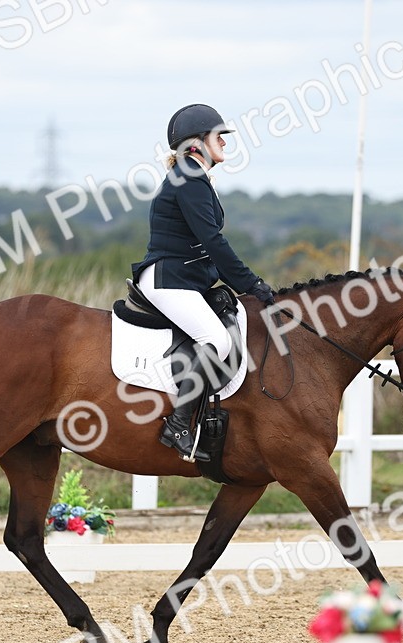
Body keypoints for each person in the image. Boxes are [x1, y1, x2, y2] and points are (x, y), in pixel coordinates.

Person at [131, 103, 276, 463]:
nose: (224, 142)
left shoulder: (192, 176)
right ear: (195, 144)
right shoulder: (189, 177)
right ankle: (178, 424)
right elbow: (213, 242)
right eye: (218, 136)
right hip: (169, 281)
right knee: (216, 340)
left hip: (185, 279)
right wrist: (250, 282)